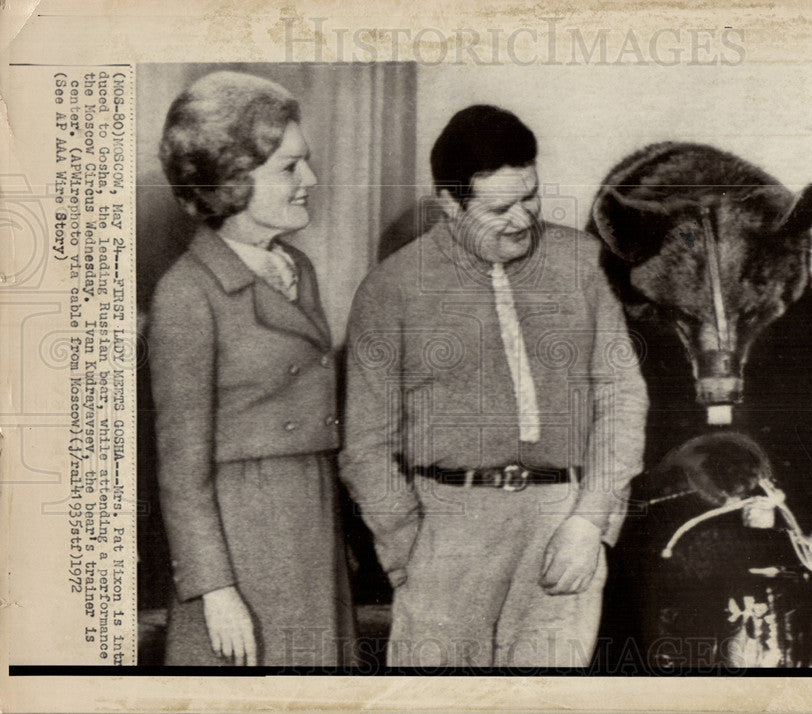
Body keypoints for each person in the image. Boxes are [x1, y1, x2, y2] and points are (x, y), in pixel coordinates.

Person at [339, 105, 648, 667]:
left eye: (530, 196)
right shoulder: (391, 289)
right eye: (498, 208)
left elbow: (621, 396)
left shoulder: (582, 264)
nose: (523, 219)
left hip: (564, 525)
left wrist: (590, 520)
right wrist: (408, 548)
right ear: (450, 203)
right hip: (445, 529)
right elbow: (363, 447)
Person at [148, 71, 356, 667]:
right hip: (243, 540)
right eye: (290, 168)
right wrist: (215, 590)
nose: (309, 181)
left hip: (311, 519)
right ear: (233, 180)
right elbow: (180, 471)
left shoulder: (297, 268)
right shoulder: (187, 293)